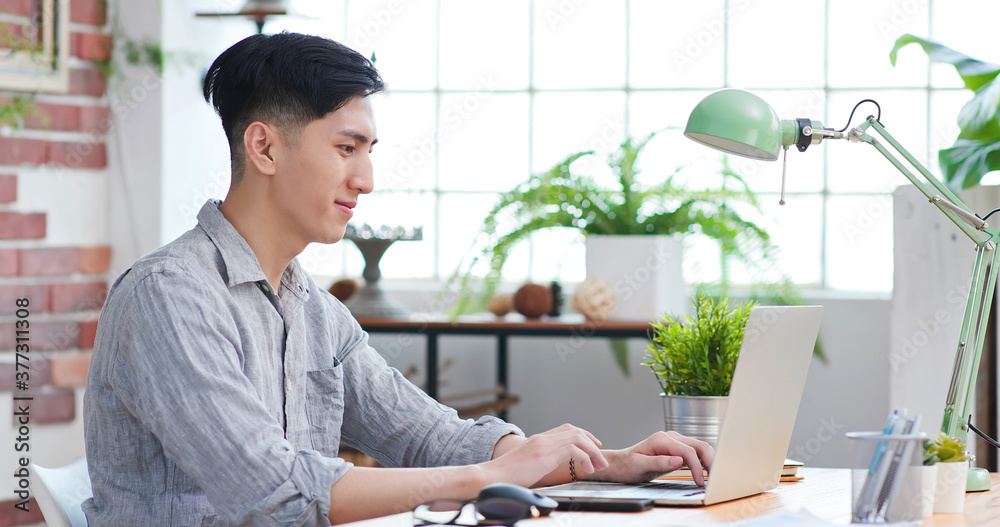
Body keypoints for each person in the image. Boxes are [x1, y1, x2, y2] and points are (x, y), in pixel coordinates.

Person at [82, 32, 713, 526]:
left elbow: (426, 435)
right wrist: (492, 479)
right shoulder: (167, 296)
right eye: (346, 148)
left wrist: (604, 465)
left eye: (369, 151)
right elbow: (270, 495)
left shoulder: (314, 311)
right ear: (265, 149)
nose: (367, 179)